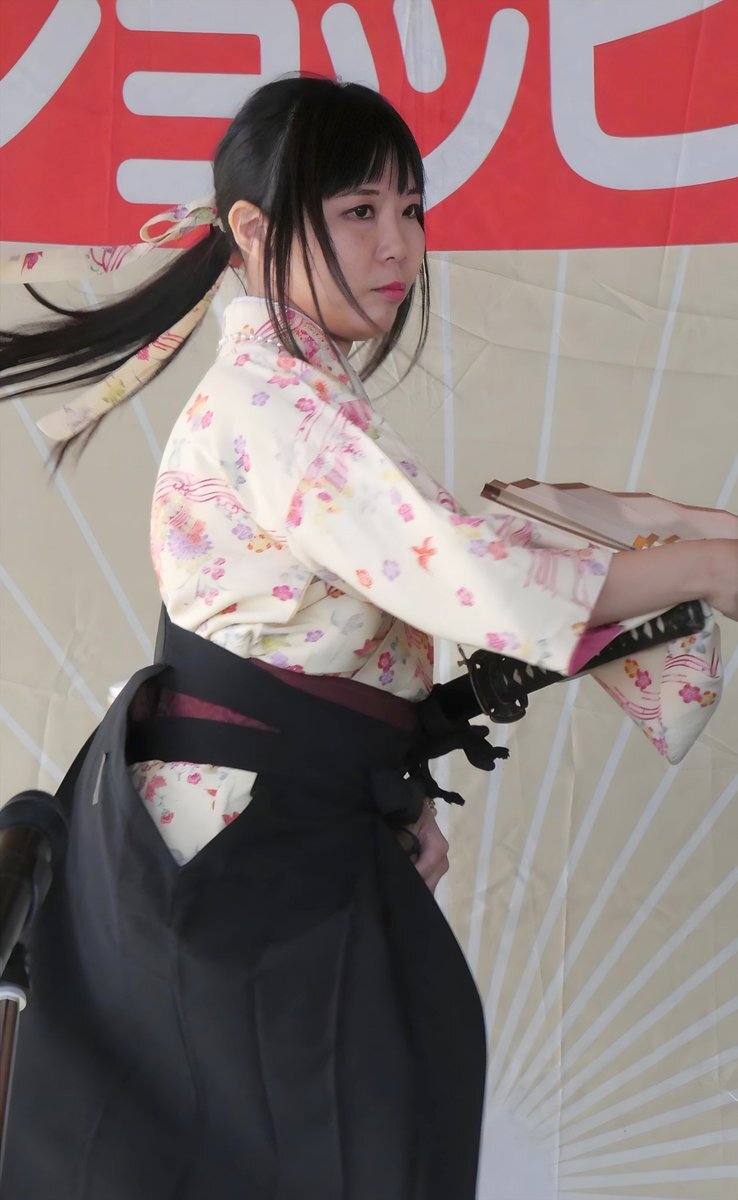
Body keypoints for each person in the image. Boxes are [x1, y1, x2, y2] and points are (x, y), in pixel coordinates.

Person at [0, 74, 736, 1200]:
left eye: (411, 209)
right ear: (254, 231)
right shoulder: (275, 403)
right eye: (358, 211)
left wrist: (390, 798)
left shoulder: (299, 392)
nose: (399, 245)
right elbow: (468, 570)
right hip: (240, 847)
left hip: (272, 822)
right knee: (342, 1146)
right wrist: (710, 567)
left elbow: (411, 581)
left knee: (359, 1127)